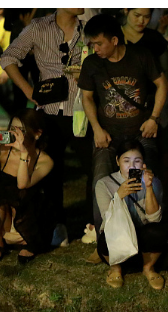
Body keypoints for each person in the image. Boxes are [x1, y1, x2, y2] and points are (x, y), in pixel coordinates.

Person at [0, 8, 87, 238]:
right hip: (48, 110)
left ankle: (94, 224)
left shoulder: (87, 27)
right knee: (53, 171)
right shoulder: (39, 27)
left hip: (82, 110)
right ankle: (58, 224)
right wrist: (28, 90)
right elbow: (8, 56)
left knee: (92, 167)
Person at [80, 13, 168, 232]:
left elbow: (162, 84)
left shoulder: (140, 56)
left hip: (139, 133)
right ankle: (104, 236)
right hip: (108, 135)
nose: (95, 48)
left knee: (144, 179)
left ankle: (144, 230)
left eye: (99, 43)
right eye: (92, 44)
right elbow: (87, 98)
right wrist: (97, 128)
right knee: (100, 180)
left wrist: (153, 118)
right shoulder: (92, 64)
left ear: (114, 40)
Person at [94, 140, 166, 290]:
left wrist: (149, 187)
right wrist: (118, 196)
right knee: (104, 239)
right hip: (118, 242)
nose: (132, 166)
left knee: (158, 231)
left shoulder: (153, 182)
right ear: (117, 161)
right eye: (126, 161)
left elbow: (154, 219)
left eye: (137, 161)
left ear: (143, 164)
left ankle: (148, 268)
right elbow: (107, 220)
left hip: (143, 242)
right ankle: (115, 269)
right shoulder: (104, 184)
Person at [0, 110, 55, 263]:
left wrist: (24, 154)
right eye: (13, 129)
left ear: (37, 133)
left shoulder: (45, 161)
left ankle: (26, 243)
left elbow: (22, 184)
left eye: (21, 130)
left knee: (18, 192)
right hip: (5, 214)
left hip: (27, 214)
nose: (16, 134)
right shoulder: (4, 151)